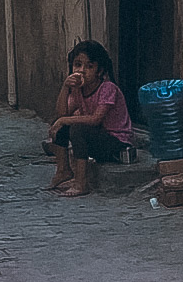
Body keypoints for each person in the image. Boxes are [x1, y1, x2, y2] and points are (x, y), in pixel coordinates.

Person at [45, 40, 134, 192]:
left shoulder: (108, 88)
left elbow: (95, 119)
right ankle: (63, 170)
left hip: (116, 142)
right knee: (61, 124)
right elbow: (62, 113)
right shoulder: (79, 89)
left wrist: (64, 120)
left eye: (89, 66)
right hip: (96, 138)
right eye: (78, 65)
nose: (82, 71)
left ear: (99, 71)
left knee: (77, 129)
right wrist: (65, 87)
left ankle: (81, 182)